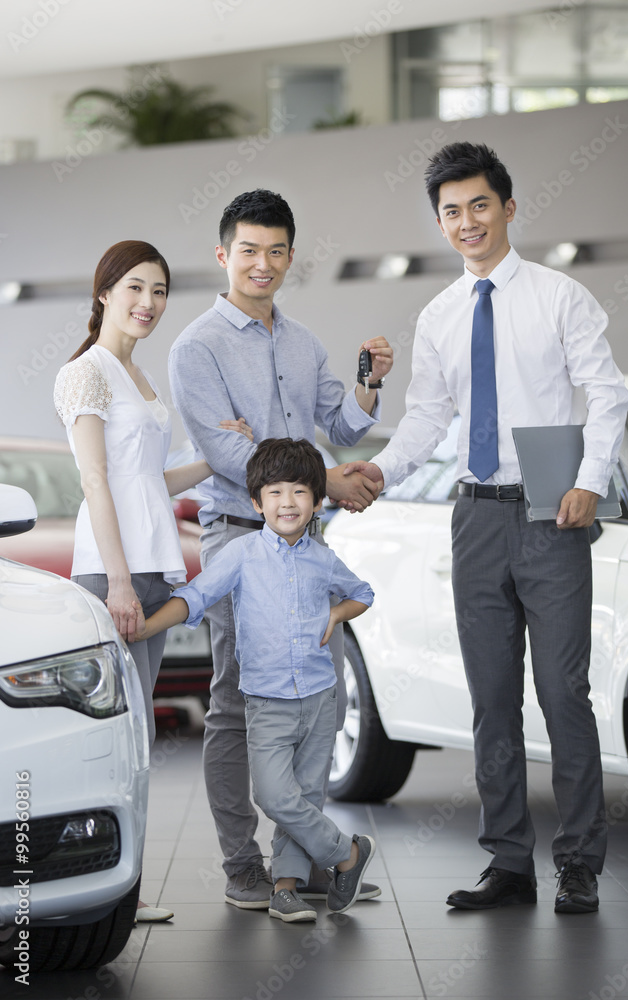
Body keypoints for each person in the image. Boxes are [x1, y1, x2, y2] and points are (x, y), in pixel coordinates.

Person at [344, 142, 628, 914]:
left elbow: (606, 396)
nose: (466, 222)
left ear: (507, 207)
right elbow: (429, 419)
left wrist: (586, 481)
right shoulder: (439, 315)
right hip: (473, 516)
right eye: (450, 211)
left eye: (478, 205)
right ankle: (508, 863)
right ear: (439, 223)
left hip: (549, 510)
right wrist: (381, 472)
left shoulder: (559, 297)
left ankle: (577, 864)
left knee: (563, 694)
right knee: (490, 699)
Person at [168, 189, 390, 908]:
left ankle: (301, 865)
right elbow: (230, 456)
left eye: (275, 251)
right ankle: (243, 866)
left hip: (309, 547)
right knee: (237, 704)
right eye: (247, 251)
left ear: (290, 256)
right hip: (239, 539)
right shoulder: (196, 346)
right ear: (222, 255)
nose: (261, 264)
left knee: (315, 707)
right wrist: (324, 476)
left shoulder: (301, 342)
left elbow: (345, 426)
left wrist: (367, 383)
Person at [53, 239, 252, 922]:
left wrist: (211, 454)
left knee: (137, 742)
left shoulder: (137, 377)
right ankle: (94, 892)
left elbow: (146, 480)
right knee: (110, 738)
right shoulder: (87, 373)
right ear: (104, 290)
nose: (148, 303)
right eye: (135, 288)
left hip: (155, 567)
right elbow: (95, 480)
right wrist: (116, 584)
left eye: (160, 291)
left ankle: (121, 889)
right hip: (117, 571)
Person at [132, 437, 377, 922]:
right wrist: (143, 628)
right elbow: (195, 598)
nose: (288, 503)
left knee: (305, 796)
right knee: (272, 794)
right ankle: (347, 853)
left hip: (320, 695)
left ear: (317, 501)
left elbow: (363, 592)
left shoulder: (322, 558)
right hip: (266, 702)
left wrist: (337, 613)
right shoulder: (241, 554)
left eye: (300, 493)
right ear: (255, 502)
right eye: (276, 493)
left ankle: (286, 887)